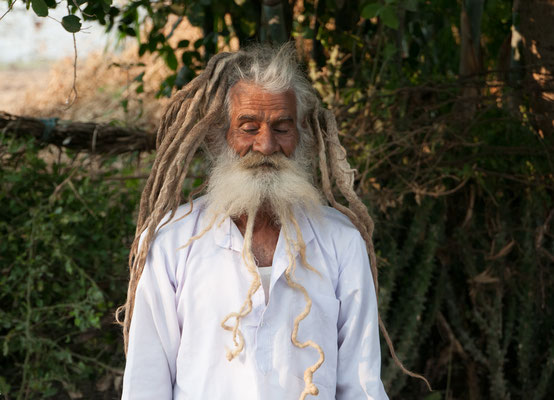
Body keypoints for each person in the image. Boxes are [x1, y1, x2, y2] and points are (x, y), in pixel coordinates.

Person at [117, 44, 421, 399]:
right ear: (221, 136)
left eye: (281, 127)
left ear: (302, 135)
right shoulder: (171, 242)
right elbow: (146, 382)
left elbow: (360, 384)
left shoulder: (340, 241)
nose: (266, 144)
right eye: (248, 127)